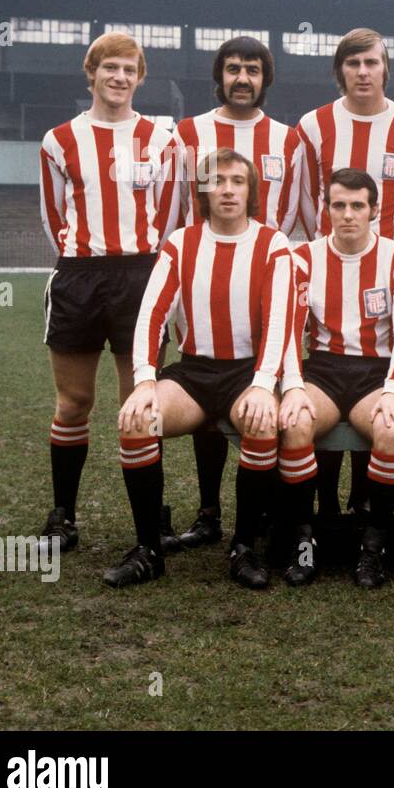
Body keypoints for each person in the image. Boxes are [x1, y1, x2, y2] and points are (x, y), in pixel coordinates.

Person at [109, 148, 293, 588]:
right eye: (217, 181)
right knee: (137, 422)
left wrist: (265, 386)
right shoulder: (182, 242)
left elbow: (278, 322)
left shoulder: (273, 243)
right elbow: (151, 315)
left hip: (248, 373)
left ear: (250, 191)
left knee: (262, 425)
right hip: (193, 373)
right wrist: (144, 381)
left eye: (237, 180)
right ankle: (149, 549)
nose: (227, 189)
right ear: (203, 190)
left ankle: (244, 545)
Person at [37, 31, 178, 554]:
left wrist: (148, 272)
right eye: (110, 67)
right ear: (91, 72)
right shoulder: (59, 140)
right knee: (73, 402)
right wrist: (85, 256)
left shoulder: (163, 140)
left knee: (140, 404)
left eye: (130, 69)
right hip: (77, 276)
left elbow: (168, 216)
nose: (119, 77)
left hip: (140, 277)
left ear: (140, 78)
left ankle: (152, 511)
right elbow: (54, 217)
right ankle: (63, 515)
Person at [295, 28, 394, 526]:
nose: (362, 71)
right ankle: (327, 504)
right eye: (352, 63)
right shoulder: (313, 126)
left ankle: (361, 506)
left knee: (380, 386)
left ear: (385, 69)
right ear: (340, 71)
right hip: (334, 268)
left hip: (392, 275)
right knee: (326, 380)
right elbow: (309, 201)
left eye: (371, 62)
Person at [172, 35, 304, 553]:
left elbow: (291, 211)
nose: (242, 78)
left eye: (252, 69)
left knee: (260, 388)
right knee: (208, 384)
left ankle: (263, 515)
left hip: (264, 275)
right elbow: (177, 208)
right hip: (202, 279)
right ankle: (208, 512)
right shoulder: (189, 133)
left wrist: (266, 261)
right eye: (232, 68)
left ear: (265, 79)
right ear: (219, 75)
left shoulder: (287, 139)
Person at [276, 168, 394, 587]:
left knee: (390, 431)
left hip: (378, 373)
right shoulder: (303, 258)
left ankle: (372, 547)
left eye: (358, 206)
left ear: (374, 210)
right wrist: (294, 386)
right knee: (295, 423)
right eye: (339, 205)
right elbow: (284, 329)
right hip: (323, 370)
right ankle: (304, 544)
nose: (348, 214)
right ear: (327, 209)